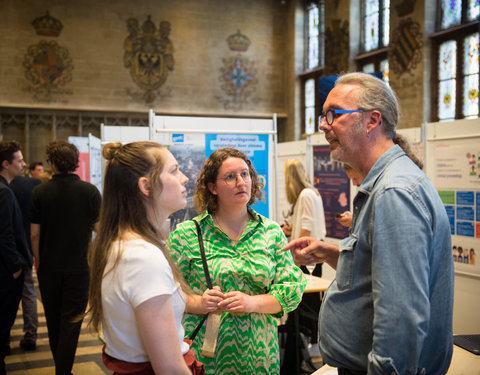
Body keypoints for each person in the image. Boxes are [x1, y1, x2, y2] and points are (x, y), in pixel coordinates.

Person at [284, 72, 454, 375]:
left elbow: (401, 319)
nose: (323, 125)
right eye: (324, 115)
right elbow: (377, 270)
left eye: (333, 114)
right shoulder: (387, 186)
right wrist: (330, 253)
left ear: (372, 121)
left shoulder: (393, 193)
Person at [168, 147, 305, 374]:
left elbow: (291, 290)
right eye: (230, 177)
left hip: (259, 357)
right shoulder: (187, 235)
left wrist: (252, 303)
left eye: (245, 174)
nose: (241, 182)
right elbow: (167, 293)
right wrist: (198, 302)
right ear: (212, 187)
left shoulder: (270, 232)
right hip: (205, 357)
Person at [87, 141, 203, 375]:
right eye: (173, 170)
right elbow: (169, 368)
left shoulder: (129, 245)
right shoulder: (143, 256)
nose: (184, 178)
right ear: (146, 185)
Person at [30, 140, 101, 375]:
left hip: (48, 267)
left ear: (52, 163)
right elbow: (100, 229)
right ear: (76, 162)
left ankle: (62, 370)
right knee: (71, 323)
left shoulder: (39, 192)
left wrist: (38, 261)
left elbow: (34, 234)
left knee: (53, 320)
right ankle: (63, 371)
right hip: (79, 268)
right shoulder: (90, 192)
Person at [281, 159, 326, 365]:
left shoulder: (306, 194)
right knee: (306, 307)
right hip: (309, 254)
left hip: (307, 256)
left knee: (304, 308)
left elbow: (306, 226)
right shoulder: (309, 193)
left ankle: (298, 355)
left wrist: (297, 254)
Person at [0, 141, 31, 375]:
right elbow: (4, 234)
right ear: (6, 164)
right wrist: (16, 266)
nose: (23, 164)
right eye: (19, 160)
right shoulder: (3, 192)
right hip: (6, 272)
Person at [10, 170, 41, 351]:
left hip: (10, 249)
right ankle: (31, 334)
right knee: (29, 292)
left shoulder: (8, 187)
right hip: (26, 247)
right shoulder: (32, 185)